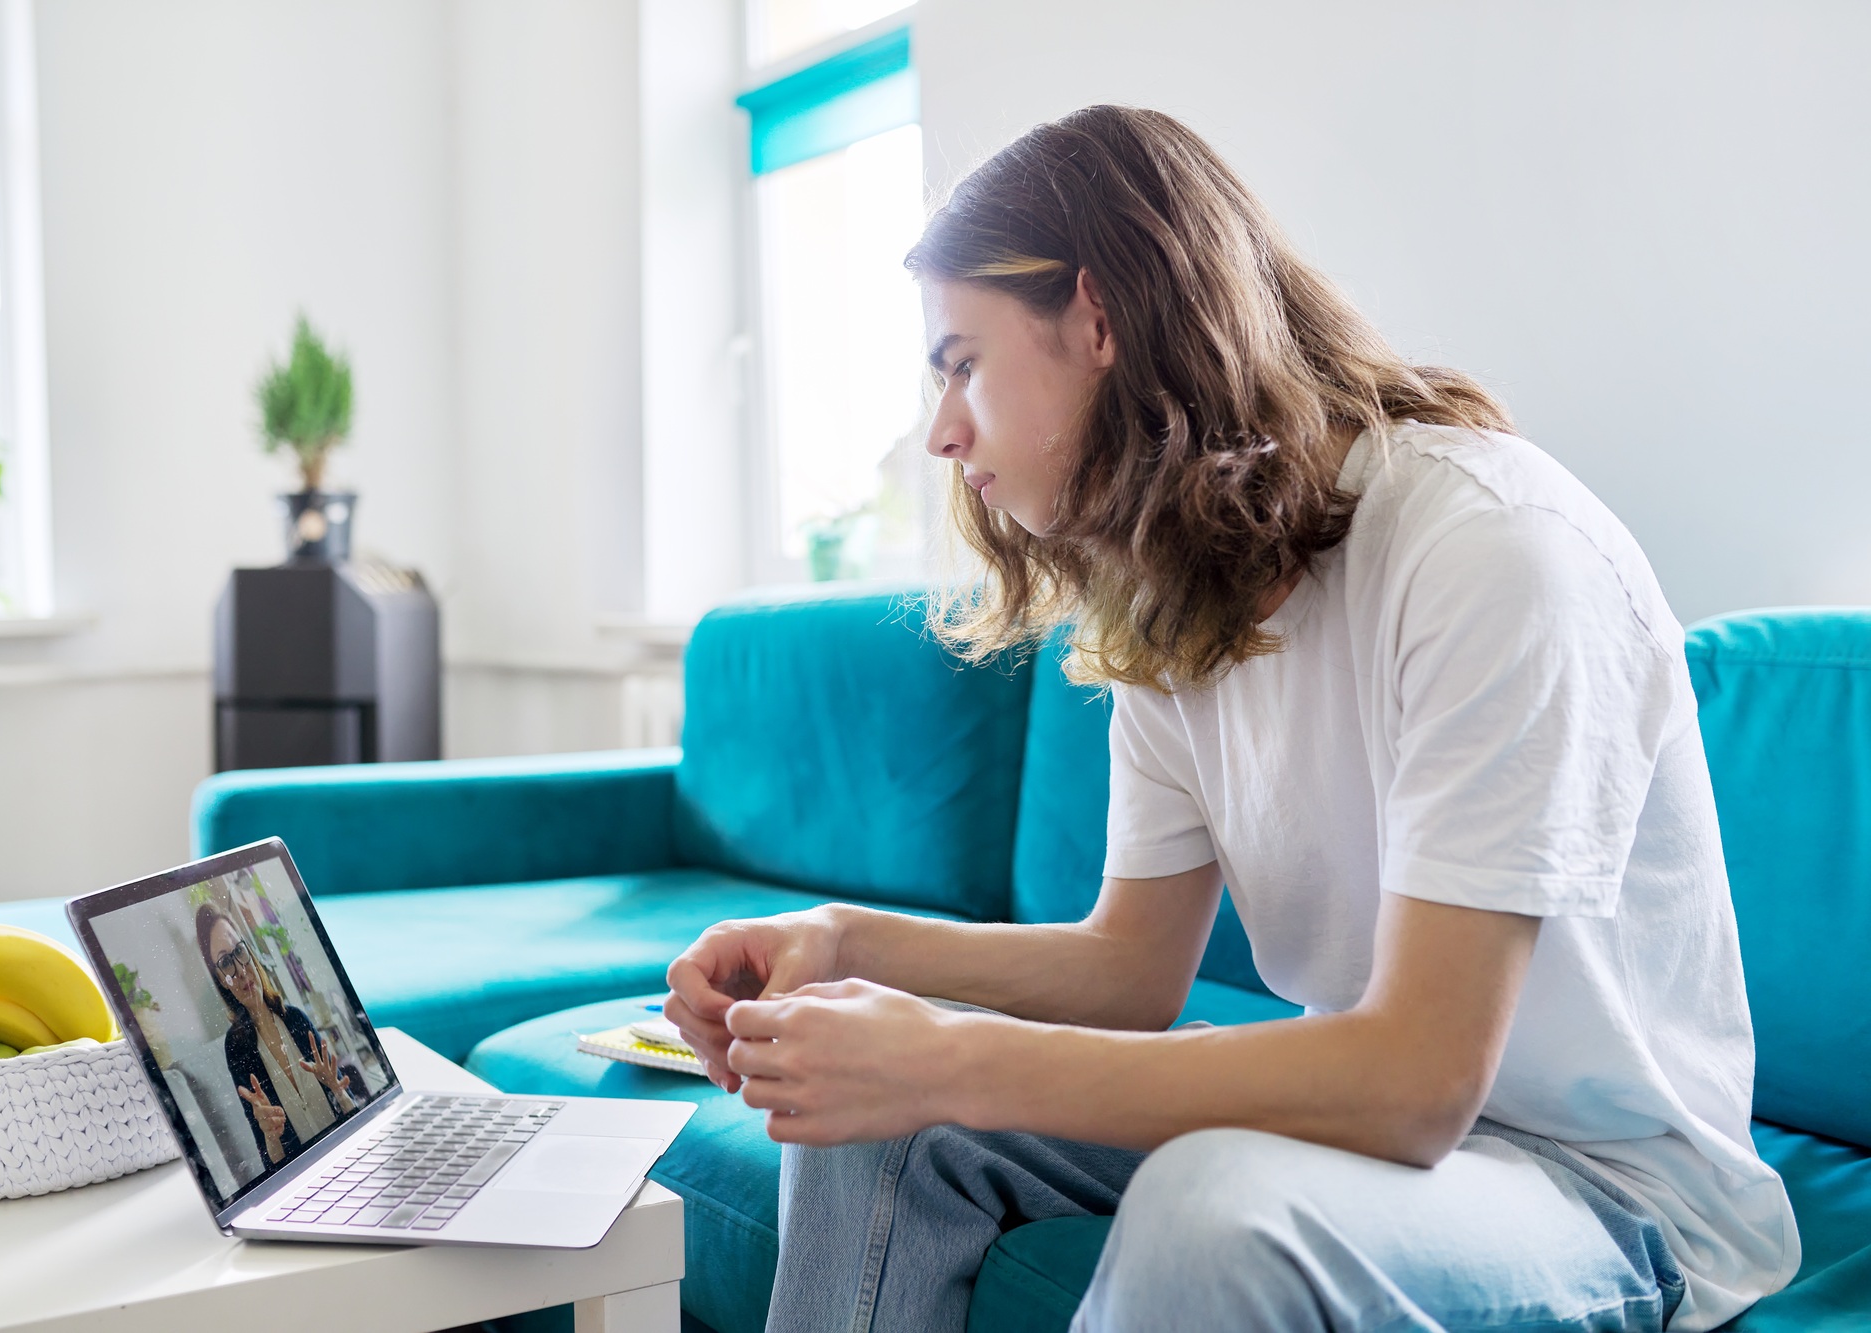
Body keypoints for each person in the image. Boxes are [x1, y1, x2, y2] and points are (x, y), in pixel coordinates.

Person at [664, 106, 1798, 1332]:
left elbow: (1415, 1081)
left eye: (960, 363)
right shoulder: (1172, 586)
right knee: (867, 1114)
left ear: (1094, 320)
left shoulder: (1489, 550)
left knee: (1215, 1205)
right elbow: (1127, 969)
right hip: (1374, 1143)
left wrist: (945, 1053)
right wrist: (844, 946)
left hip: (1604, 1187)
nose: (941, 431)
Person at [196, 903, 357, 1168]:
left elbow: (352, 1110)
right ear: (219, 979)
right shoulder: (236, 1048)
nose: (240, 970)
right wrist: (271, 1137)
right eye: (225, 962)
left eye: (239, 950)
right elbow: (271, 1163)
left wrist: (338, 1091)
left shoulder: (295, 1019)